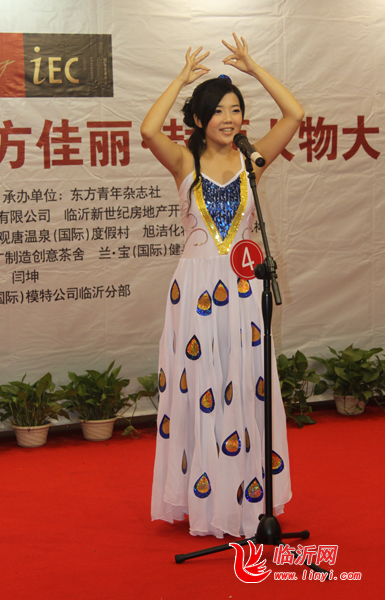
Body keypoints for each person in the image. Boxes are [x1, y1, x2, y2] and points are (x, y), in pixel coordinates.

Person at [141, 33, 304, 538]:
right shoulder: (183, 162)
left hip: (243, 288)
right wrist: (179, 80)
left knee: (245, 386)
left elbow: (295, 115)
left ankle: (246, 498)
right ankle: (204, 500)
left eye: (236, 110)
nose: (229, 119)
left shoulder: (252, 161)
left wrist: (254, 68)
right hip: (194, 291)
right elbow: (148, 130)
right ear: (198, 119)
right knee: (201, 388)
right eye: (218, 111)